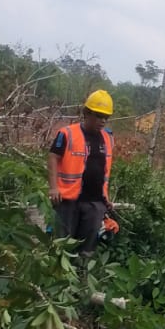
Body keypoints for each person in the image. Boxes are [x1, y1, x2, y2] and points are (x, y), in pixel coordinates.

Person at [47, 90, 115, 257]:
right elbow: (53, 157)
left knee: (87, 249)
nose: (103, 121)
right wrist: (53, 188)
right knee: (61, 246)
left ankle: (82, 278)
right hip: (67, 201)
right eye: (99, 116)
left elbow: (104, 169)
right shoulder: (67, 134)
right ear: (86, 113)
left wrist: (106, 198)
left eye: (106, 117)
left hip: (95, 202)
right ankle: (59, 279)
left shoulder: (108, 138)